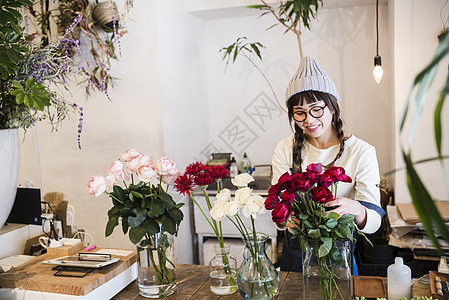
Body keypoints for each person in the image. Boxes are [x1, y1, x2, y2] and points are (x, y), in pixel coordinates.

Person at [272, 56, 385, 272]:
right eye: (299, 113)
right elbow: (279, 206)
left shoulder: (362, 152)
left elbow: (374, 222)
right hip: (295, 254)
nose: (309, 120)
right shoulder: (285, 149)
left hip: (338, 255)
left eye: (316, 109)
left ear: (332, 107)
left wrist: (357, 209)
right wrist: (285, 220)